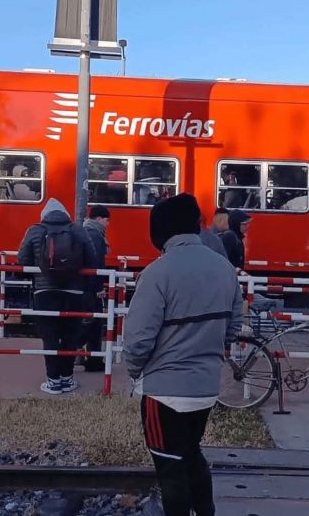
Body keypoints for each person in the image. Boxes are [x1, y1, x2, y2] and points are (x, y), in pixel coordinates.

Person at [124, 193, 243, 516]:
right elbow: (233, 326)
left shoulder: (157, 273)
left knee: (170, 465)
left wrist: (134, 371)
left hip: (164, 391)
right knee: (191, 454)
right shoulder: (224, 268)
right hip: (205, 388)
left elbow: (137, 340)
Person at [18, 198, 97, 394]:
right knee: (70, 336)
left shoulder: (34, 230)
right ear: (66, 214)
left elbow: (22, 259)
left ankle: (52, 381)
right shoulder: (78, 230)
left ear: (44, 215)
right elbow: (92, 257)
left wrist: (40, 271)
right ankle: (67, 379)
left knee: (50, 336)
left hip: (44, 291)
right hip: (74, 292)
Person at [79, 205, 111, 372]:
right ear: (98, 219)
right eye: (107, 220)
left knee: (89, 321)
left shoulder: (85, 231)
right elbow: (97, 262)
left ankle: (89, 358)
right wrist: (99, 287)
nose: (108, 224)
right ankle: (91, 359)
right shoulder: (95, 235)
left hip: (84, 285)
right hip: (91, 287)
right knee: (95, 322)